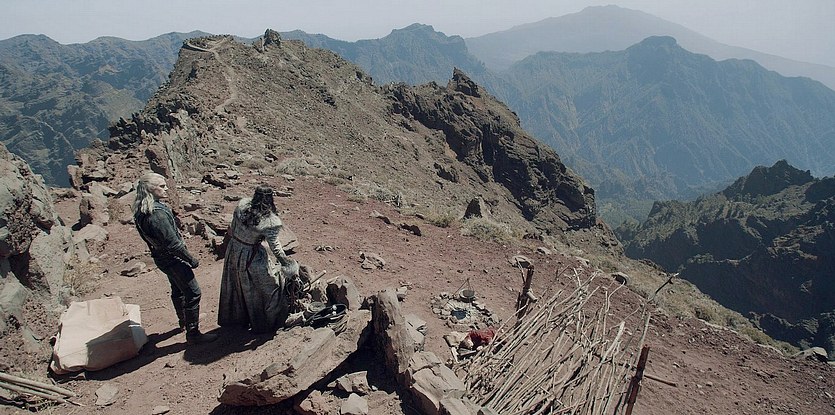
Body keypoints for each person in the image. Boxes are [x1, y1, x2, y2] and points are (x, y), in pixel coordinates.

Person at [132, 172, 217, 344]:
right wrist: (191, 259)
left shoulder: (142, 210)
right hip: (173, 259)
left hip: (161, 258)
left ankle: (183, 322)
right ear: (150, 189)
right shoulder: (156, 215)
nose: (166, 189)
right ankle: (193, 334)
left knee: (178, 289)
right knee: (193, 293)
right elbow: (173, 244)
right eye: (161, 186)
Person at [219, 185, 301, 333]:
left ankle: (239, 319)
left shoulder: (242, 205)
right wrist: (288, 264)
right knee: (271, 287)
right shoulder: (270, 221)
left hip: (233, 249)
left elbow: (232, 227)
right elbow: (275, 247)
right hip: (251, 256)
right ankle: (267, 324)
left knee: (236, 284)